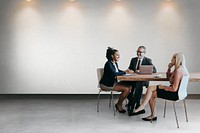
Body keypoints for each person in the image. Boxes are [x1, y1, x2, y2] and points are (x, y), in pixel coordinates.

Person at [132, 53, 189, 121]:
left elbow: (174, 88)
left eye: (172, 58)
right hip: (180, 93)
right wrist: (169, 68)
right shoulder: (182, 69)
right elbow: (170, 80)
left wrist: (162, 87)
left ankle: (145, 109)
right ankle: (145, 108)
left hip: (175, 94)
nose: (171, 60)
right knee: (151, 90)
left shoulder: (178, 71)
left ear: (176, 60)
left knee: (151, 93)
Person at [100, 47, 132, 113]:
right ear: (112, 56)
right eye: (117, 55)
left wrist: (126, 71)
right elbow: (114, 74)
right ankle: (118, 105)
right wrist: (125, 72)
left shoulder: (115, 63)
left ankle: (130, 103)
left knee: (130, 86)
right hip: (107, 84)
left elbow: (118, 71)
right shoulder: (108, 64)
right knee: (126, 89)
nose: (119, 56)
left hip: (113, 83)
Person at [127, 46, 157, 116]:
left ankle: (132, 104)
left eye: (141, 52)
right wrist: (129, 70)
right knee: (126, 84)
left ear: (144, 53)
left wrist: (141, 71)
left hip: (143, 80)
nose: (139, 54)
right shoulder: (133, 60)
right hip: (133, 79)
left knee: (139, 83)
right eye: (138, 52)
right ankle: (135, 103)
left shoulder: (148, 60)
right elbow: (130, 69)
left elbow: (154, 70)